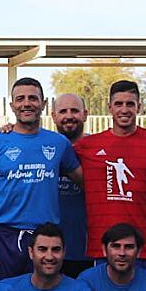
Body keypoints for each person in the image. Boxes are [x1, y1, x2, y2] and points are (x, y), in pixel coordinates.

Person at [0, 77, 82, 279]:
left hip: (45, 237)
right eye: (20, 99)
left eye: (33, 98)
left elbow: (87, 182)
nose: (27, 103)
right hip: (4, 236)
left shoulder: (59, 143)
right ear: (12, 105)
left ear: (43, 103)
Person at [74, 80, 146, 283]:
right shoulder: (87, 146)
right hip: (103, 249)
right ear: (109, 107)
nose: (124, 110)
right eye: (119, 104)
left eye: (130, 104)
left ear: (139, 107)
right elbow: (55, 153)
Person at [51, 93, 93, 280]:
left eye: (74, 111)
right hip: (49, 250)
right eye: (63, 111)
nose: (69, 116)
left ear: (85, 114)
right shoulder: (44, 146)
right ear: (53, 116)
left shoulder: (99, 147)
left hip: (88, 248)